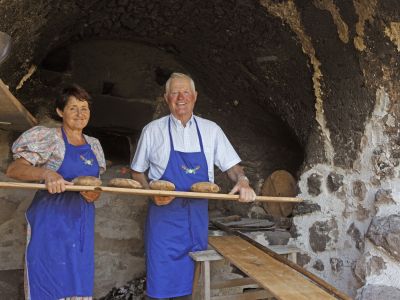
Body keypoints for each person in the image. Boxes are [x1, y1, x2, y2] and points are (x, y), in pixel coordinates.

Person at [131, 72, 256, 299]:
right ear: (166, 97)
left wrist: (243, 182)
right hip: (163, 222)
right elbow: (137, 172)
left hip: (195, 221)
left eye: (186, 92)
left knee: (190, 288)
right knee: (159, 287)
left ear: (195, 96)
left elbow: (233, 168)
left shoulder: (211, 130)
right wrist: (150, 193)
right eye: (175, 93)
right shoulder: (153, 131)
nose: (181, 97)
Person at [6, 84, 106, 300]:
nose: (80, 114)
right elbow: (14, 169)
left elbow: (95, 187)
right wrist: (46, 174)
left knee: (77, 287)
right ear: (61, 112)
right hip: (51, 225)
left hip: (81, 226)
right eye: (73, 108)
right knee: (48, 284)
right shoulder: (47, 137)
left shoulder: (94, 145)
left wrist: (93, 194)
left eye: (84, 108)